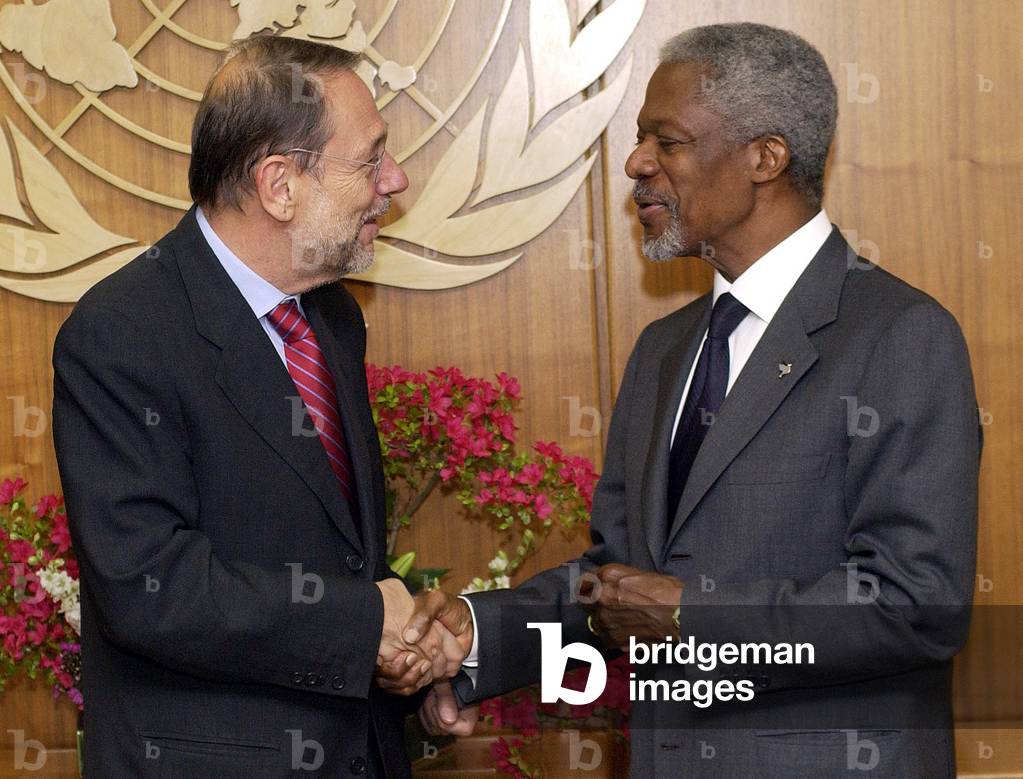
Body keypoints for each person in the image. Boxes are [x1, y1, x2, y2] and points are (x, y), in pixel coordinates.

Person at [389, 22, 981, 778]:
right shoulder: (663, 350)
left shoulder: (900, 335)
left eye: (665, 141)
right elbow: (618, 580)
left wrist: (692, 617)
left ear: (765, 157)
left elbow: (915, 602)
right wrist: (474, 637)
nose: (635, 163)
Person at [52, 36, 457, 778]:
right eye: (370, 159)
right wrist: (367, 626)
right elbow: (150, 586)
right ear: (279, 186)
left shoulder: (331, 315)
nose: (394, 179)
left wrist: (408, 667)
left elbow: (341, 551)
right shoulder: (121, 332)